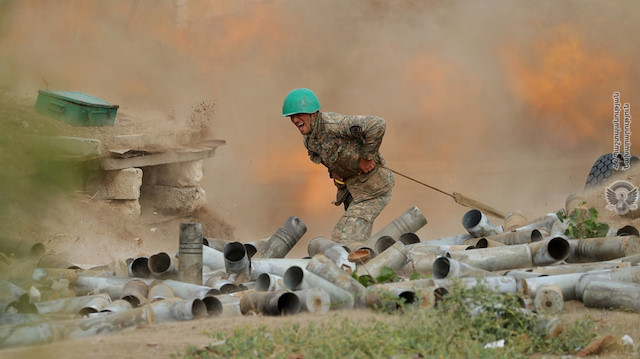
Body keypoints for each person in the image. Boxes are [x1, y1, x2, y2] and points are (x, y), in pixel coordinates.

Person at [282, 88, 395, 244]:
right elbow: (325, 156)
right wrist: (334, 171)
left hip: (373, 189)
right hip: (353, 191)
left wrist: (367, 158)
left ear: (313, 113)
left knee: (344, 237)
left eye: (299, 115)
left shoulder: (335, 125)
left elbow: (377, 124)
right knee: (357, 241)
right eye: (291, 117)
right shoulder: (309, 140)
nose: (295, 120)